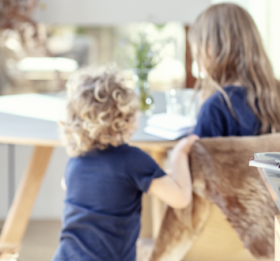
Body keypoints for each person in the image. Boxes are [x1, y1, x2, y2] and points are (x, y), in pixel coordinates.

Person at [53, 65, 198, 261]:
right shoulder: (133, 160)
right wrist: (179, 154)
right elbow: (180, 197)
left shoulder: (75, 162)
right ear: (126, 119)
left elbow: (81, 185)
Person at [189, 2, 280, 138]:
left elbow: (197, 156)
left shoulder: (214, 108)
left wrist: (203, 109)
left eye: (196, 53)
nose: (196, 60)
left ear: (209, 49)